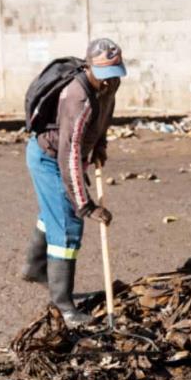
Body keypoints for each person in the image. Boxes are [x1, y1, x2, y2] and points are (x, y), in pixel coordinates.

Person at [21, 38, 126, 327]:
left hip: (67, 155)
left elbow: (104, 115)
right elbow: (69, 156)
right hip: (49, 158)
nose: (108, 84)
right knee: (68, 224)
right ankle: (64, 306)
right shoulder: (76, 97)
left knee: (53, 211)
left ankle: (34, 267)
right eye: (103, 77)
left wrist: (101, 144)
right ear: (88, 67)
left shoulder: (110, 84)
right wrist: (85, 205)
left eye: (114, 76)